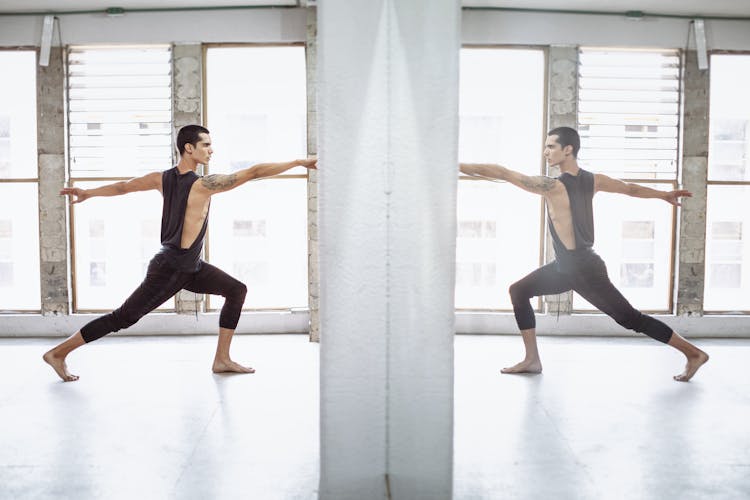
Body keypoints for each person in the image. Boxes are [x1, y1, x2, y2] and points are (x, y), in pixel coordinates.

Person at [43, 124, 317, 382]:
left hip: (191, 267)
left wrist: (89, 192)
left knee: (236, 290)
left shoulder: (161, 179)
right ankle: (58, 353)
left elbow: (123, 187)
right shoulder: (202, 184)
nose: (211, 150)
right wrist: (298, 162)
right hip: (171, 268)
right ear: (189, 148)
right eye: (206, 145)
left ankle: (222, 359)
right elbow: (254, 172)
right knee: (123, 318)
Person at [460, 126, 708, 382]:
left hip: (583, 270)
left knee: (630, 318)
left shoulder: (552, 186)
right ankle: (532, 359)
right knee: (519, 290)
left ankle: (693, 353)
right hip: (564, 268)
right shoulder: (594, 180)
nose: (546, 152)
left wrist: (458, 165)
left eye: (551, 146)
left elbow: (502, 172)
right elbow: (629, 189)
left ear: (568, 150)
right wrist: (663, 194)